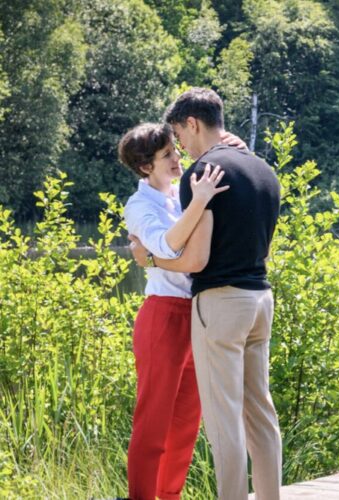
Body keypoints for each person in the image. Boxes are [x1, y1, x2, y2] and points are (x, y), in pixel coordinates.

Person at [131, 88, 282, 499]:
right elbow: (265, 248)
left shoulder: (205, 173)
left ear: (192, 124)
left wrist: (153, 261)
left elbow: (196, 260)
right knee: (261, 417)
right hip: (260, 301)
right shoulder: (264, 170)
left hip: (221, 305)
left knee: (224, 422)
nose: (179, 145)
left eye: (179, 134)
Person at [118, 122, 232, 500]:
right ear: (144, 166)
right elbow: (165, 249)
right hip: (163, 317)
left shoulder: (179, 196)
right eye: (167, 154)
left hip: (198, 314)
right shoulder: (139, 206)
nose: (177, 157)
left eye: (175, 150)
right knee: (153, 422)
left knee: (186, 424)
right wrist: (200, 201)